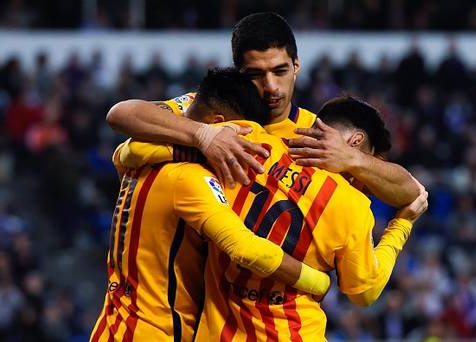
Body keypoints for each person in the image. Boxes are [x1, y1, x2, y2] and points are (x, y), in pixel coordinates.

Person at [117, 88, 428, 340]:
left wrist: (147, 154)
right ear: (356, 142)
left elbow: (134, 151)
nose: (365, 181)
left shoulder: (252, 141)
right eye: (370, 163)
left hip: (220, 331)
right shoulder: (353, 206)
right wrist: (401, 224)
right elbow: (364, 291)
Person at [90, 69, 331, 342]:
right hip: (158, 330)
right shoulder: (190, 178)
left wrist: (192, 144)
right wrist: (318, 281)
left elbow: (124, 153)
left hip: (114, 323)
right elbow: (245, 248)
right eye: (241, 135)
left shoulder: (146, 146)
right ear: (217, 123)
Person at [105, 12, 422, 208]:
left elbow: (409, 190)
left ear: (297, 66)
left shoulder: (316, 134)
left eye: (280, 71)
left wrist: (352, 159)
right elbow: (121, 114)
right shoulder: (211, 111)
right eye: (256, 74)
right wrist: (203, 135)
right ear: (238, 72)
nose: (271, 86)